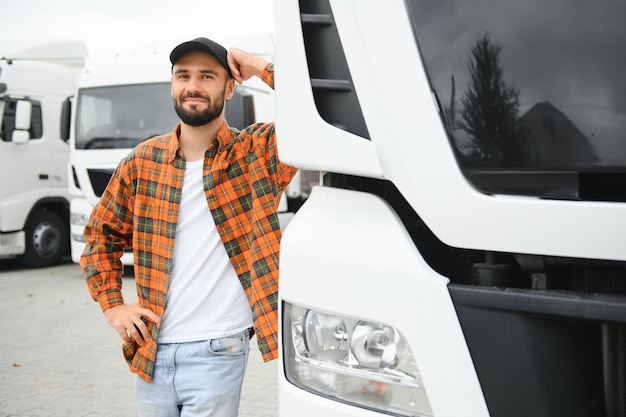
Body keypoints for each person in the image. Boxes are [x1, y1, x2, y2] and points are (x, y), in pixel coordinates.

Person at [81, 37, 298, 417]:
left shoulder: (257, 154)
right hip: (151, 350)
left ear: (230, 86)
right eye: (183, 76)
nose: (193, 86)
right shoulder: (143, 162)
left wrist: (257, 64)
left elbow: (319, 114)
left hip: (218, 351)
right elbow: (100, 235)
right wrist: (112, 306)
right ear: (172, 85)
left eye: (207, 76)